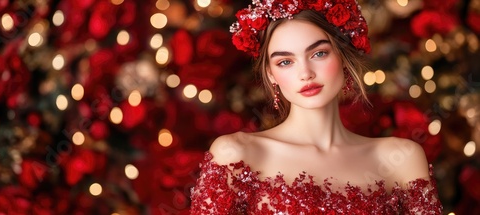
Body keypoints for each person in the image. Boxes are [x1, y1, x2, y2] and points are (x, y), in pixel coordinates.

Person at [190, 0, 443, 214]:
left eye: (318, 54)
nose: (305, 73)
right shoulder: (235, 156)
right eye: (286, 62)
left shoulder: (401, 159)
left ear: (343, 56)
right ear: (270, 75)